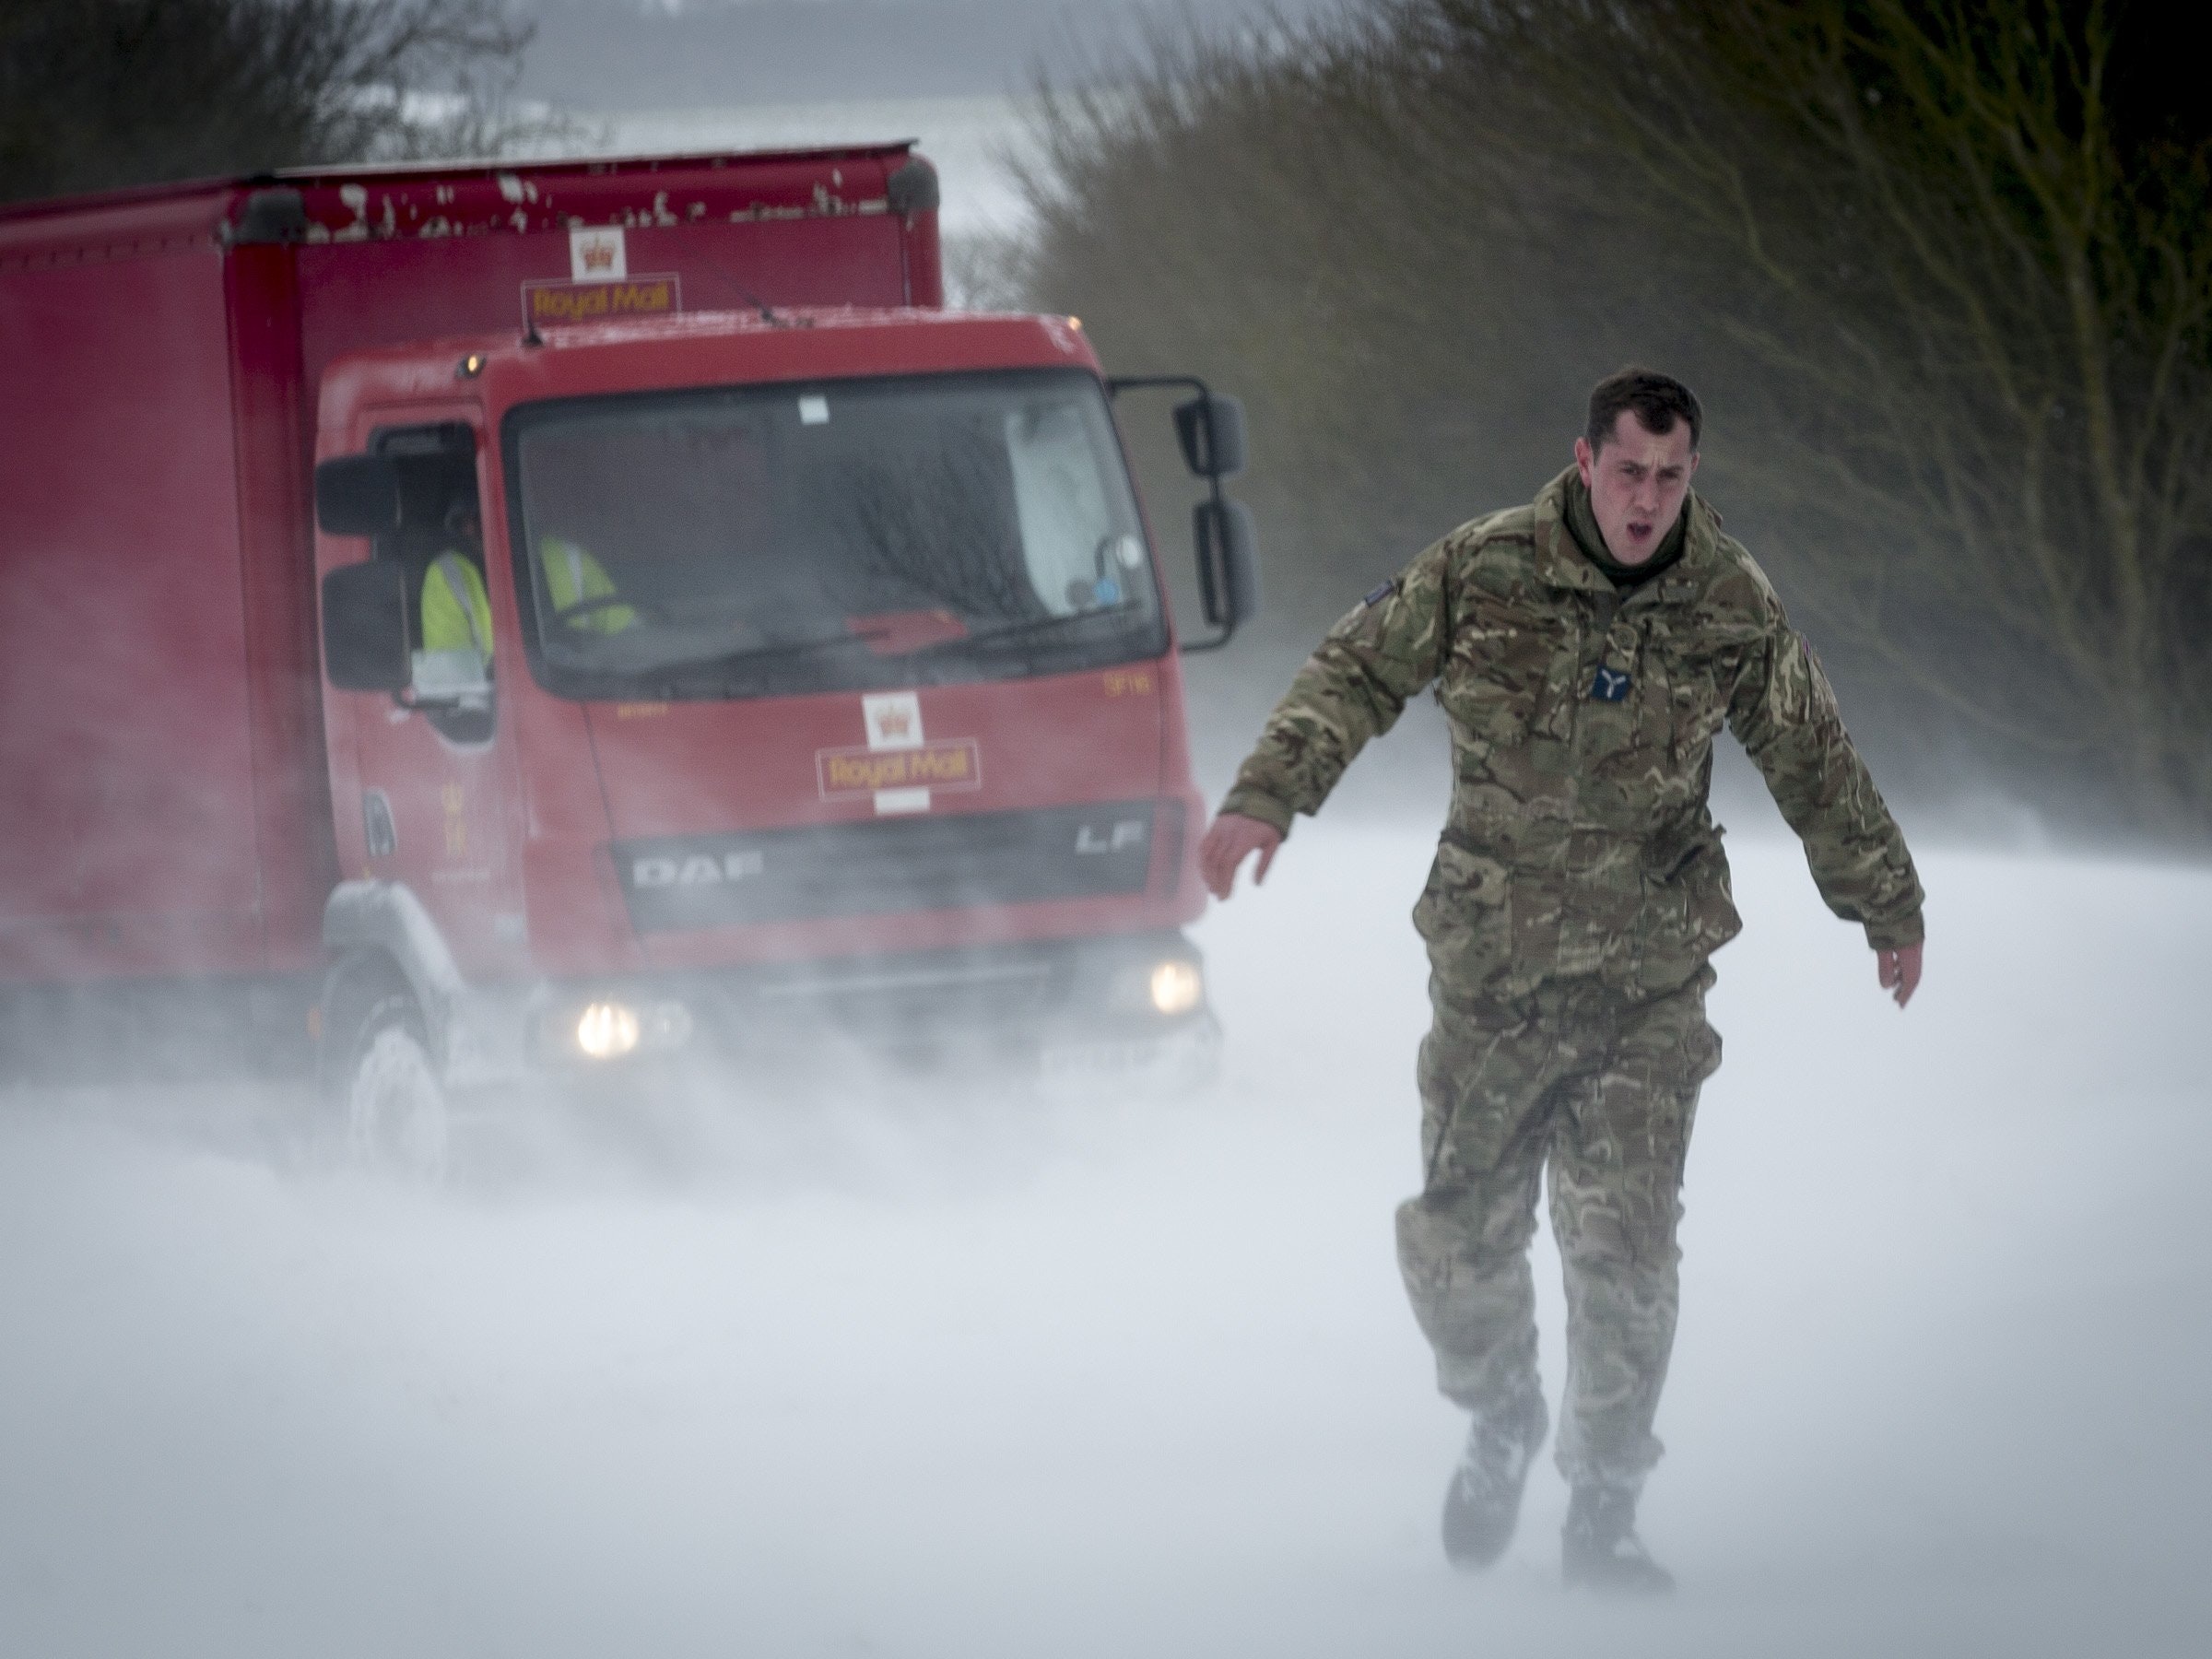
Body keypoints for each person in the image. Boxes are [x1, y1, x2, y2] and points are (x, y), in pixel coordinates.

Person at [1198, 367, 1924, 1594]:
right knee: (1455, 1246)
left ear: (1693, 476)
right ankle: (1499, 1419)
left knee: (1623, 1252)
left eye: (1671, 477)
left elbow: (1812, 753)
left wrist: (1884, 903)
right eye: (1630, 472)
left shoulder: (1725, 600)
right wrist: (1270, 794)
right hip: (1494, 980)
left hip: (1646, 990)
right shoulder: (1484, 569)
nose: (1648, 500)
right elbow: (1353, 671)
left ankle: (1606, 1501)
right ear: (1584, 461)